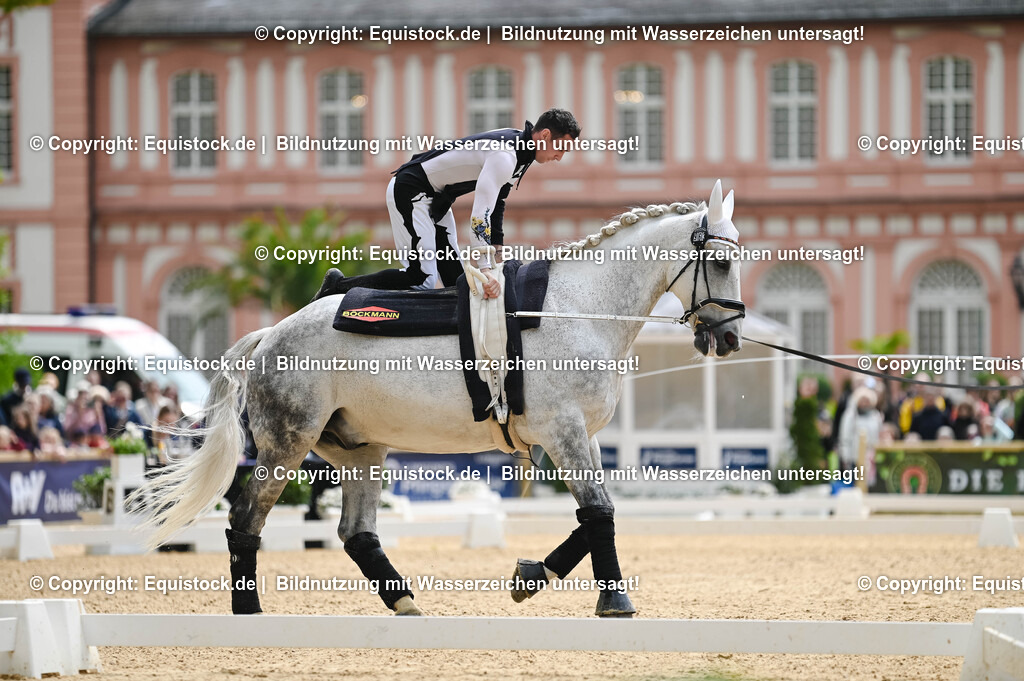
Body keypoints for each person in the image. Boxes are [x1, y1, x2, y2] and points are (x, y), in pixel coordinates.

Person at [311, 108, 581, 301]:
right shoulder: (506, 156)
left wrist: (496, 256)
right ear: (544, 135)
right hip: (411, 190)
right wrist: (487, 270)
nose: (561, 156)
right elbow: (479, 215)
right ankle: (337, 286)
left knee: (455, 281)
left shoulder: (522, 153)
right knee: (422, 279)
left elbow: (498, 202)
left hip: (437, 200)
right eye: (562, 147)